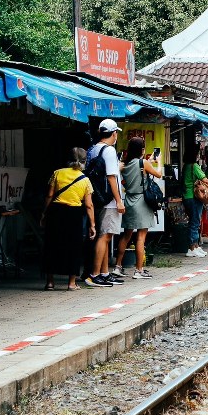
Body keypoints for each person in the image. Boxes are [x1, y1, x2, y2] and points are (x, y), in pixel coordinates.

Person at [41, 148, 96, 291]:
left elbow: (49, 195)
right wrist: (93, 225)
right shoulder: (85, 180)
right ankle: (71, 283)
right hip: (74, 214)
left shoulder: (57, 173)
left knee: (52, 245)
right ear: (84, 162)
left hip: (56, 212)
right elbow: (89, 205)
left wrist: (44, 213)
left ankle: (50, 282)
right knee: (74, 247)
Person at [112, 138, 161, 279]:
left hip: (128, 201)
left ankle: (117, 267)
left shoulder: (123, 164)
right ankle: (139, 270)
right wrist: (158, 162)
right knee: (141, 237)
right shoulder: (143, 163)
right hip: (141, 202)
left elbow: (138, 169)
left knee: (126, 235)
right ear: (142, 150)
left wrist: (149, 161)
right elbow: (158, 174)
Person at [85, 119, 125, 288]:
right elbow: (111, 177)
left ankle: (104, 273)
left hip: (98, 197)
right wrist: (119, 200)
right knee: (105, 236)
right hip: (109, 199)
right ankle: (94, 275)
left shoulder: (93, 149)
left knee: (104, 235)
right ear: (114, 133)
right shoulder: (109, 150)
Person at [183, 144, 208, 258]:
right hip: (194, 198)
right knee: (195, 223)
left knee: (193, 222)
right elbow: (205, 180)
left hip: (187, 197)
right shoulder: (194, 166)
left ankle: (195, 246)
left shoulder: (185, 166)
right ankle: (191, 248)